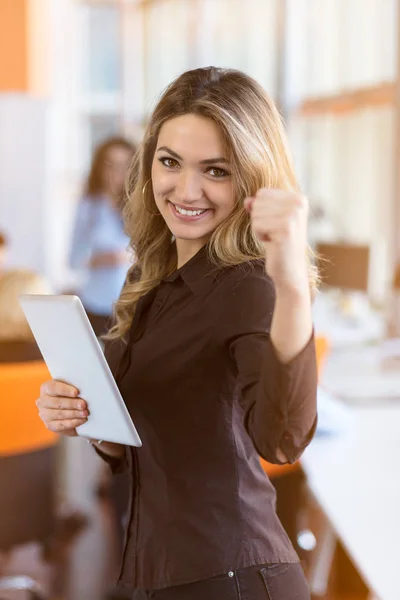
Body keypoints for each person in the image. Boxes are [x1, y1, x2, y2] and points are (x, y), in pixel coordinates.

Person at [37, 67, 318, 599]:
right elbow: (137, 435)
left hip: (230, 578)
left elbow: (282, 440)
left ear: (252, 178)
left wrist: (292, 286)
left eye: (216, 170)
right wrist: (81, 412)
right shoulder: (146, 273)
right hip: (157, 571)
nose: (186, 190)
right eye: (170, 162)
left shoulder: (251, 288)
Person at [69, 136, 136, 337]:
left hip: (131, 305)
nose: (117, 172)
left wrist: (129, 258)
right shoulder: (88, 207)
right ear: (99, 167)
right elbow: (72, 260)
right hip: (95, 305)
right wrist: (97, 260)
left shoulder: (142, 207)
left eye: (124, 165)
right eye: (111, 165)